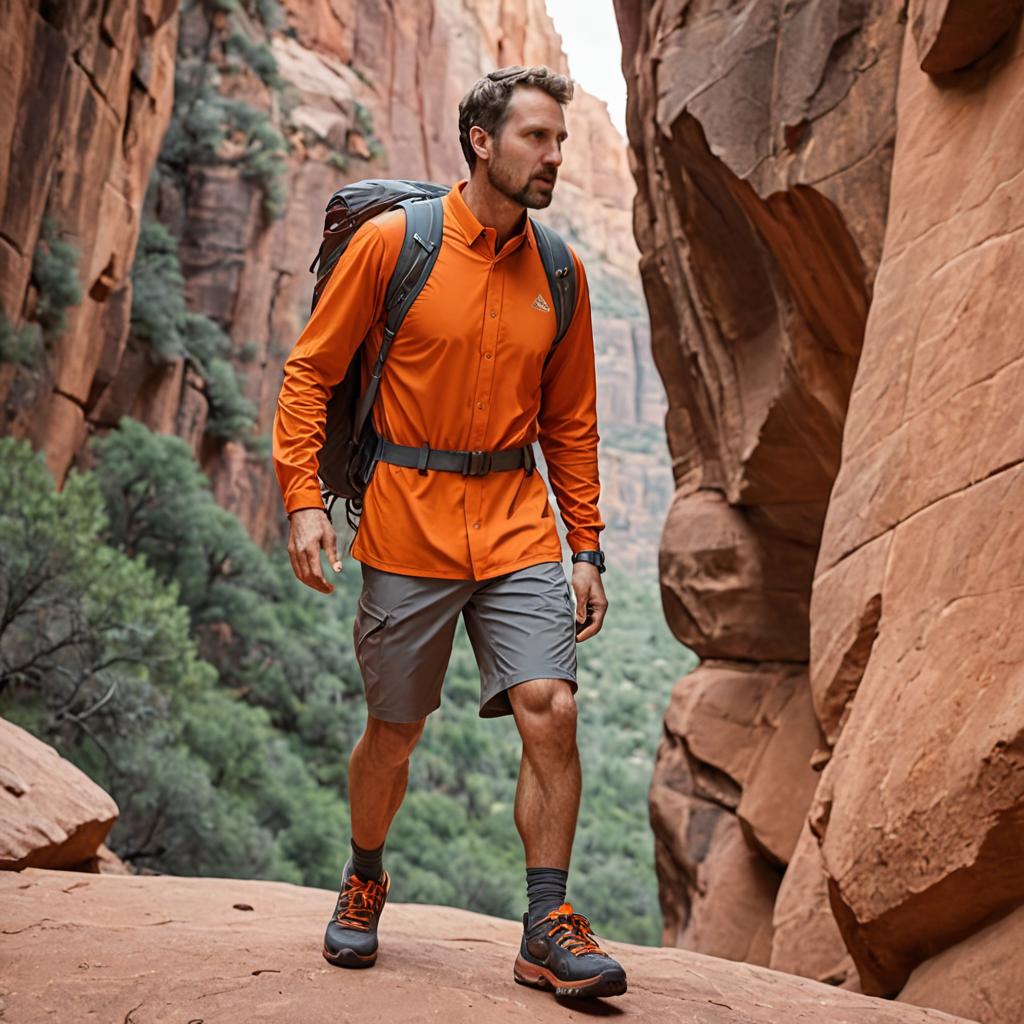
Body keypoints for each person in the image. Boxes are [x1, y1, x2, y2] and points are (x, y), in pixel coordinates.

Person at [272, 65, 626, 999]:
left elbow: (573, 424)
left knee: (552, 707)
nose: (554, 156)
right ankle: (364, 876)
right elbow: (312, 373)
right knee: (394, 733)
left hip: (515, 526)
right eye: (537, 138)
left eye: (560, 140)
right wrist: (303, 497)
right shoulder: (398, 246)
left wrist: (584, 548)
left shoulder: (561, 270)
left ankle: (546, 922)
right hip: (407, 523)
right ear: (482, 141)